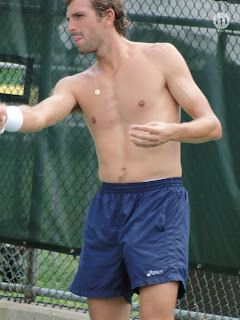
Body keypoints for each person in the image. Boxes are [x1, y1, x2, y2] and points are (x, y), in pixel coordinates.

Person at [0, 0, 222, 319]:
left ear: (108, 16)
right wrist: (8, 116)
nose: (70, 26)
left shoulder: (161, 56)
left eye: (79, 16)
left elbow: (211, 126)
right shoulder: (75, 84)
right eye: (67, 18)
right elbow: (38, 115)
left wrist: (171, 131)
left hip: (159, 202)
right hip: (108, 208)